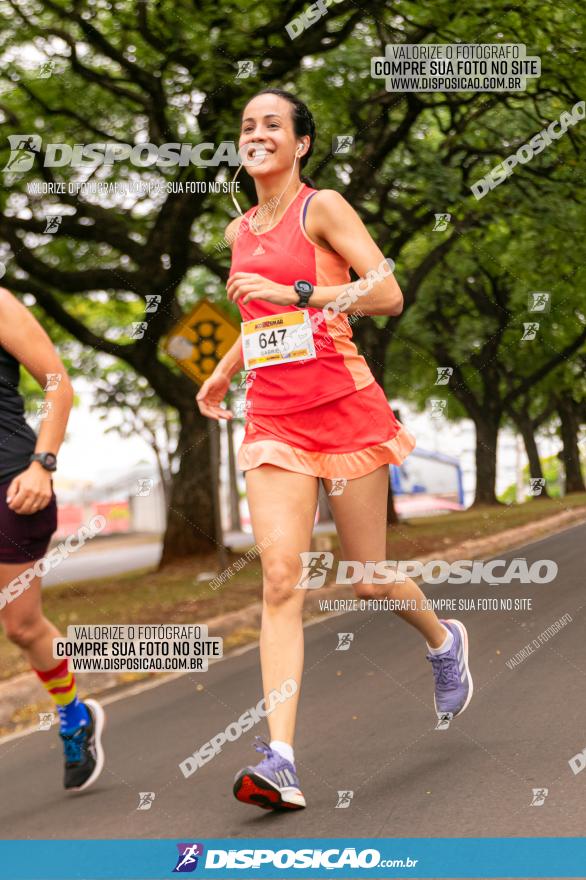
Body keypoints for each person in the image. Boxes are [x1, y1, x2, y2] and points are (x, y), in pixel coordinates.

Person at [196, 89, 473, 812]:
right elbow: (258, 321)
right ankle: (279, 760)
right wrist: (224, 372)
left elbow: (385, 295)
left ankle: (443, 643)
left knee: (369, 578)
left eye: (272, 124)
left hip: (346, 411)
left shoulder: (322, 207)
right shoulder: (236, 230)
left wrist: (300, 290)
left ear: (301, 143)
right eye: (247, 125)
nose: (257, 133)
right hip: (275, 421)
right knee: (281, 581)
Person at [0, 288, 105, 791]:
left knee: (21, 626)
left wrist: (43, 465)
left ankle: (73, 714)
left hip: (13, 486)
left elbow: (57, 384)